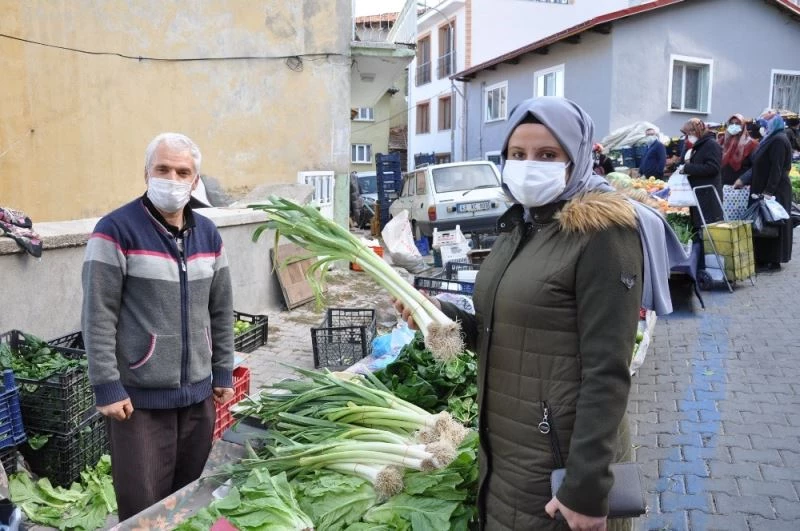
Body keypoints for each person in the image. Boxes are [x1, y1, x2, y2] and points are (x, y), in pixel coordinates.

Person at [395, 97, 683, 531]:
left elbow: (608, 371)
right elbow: (507, 327)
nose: (529, 164)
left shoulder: (603, 234)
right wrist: (442, 315)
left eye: (547, 155)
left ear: (577, 157)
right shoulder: (523, 226)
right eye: (518, 154)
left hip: (560, 463)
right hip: (508, 450)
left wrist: (585, 490)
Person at [81, 133, 235, 521]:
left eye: (183, 172)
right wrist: (106, 385)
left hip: (198, 398)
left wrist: (223, 371)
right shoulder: (115, 230)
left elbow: (221, 309)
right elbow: (98, 314)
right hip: (139, 403)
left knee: (189, 501)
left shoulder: (209, 235)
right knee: (144, 509)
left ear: (194, 180)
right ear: (146, 173)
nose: (173, 178)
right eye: (163, 169)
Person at [734, 114, 793, 269]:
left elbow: (777, 169)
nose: (762, 127)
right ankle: (762, 258)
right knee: (762, 223)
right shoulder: (771, 138)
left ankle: (772, 260)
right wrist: (744, 180)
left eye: (766, 123)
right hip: (764, 187)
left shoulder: (779, 140)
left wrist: (768, 191)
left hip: (775, 190)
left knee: (772, 223)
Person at [678, 118, 724, 268]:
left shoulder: (711, 145)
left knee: (709, 231)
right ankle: (704, 266)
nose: (687, 137)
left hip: (708, 197)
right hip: (699, 195)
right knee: (700, 230)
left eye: (688, 133)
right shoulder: (699, 145)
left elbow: (713, 168)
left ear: (696, 131)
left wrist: (688, 168)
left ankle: (712, 267)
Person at [720, 113, 757, 186]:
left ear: (743, 126)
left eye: (737, 124)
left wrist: (743, 179)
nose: (734, 126)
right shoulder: (722, 141)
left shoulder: (751, 144)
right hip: (723, 184)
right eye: (731, 123)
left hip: (741, 187)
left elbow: (757, 166)